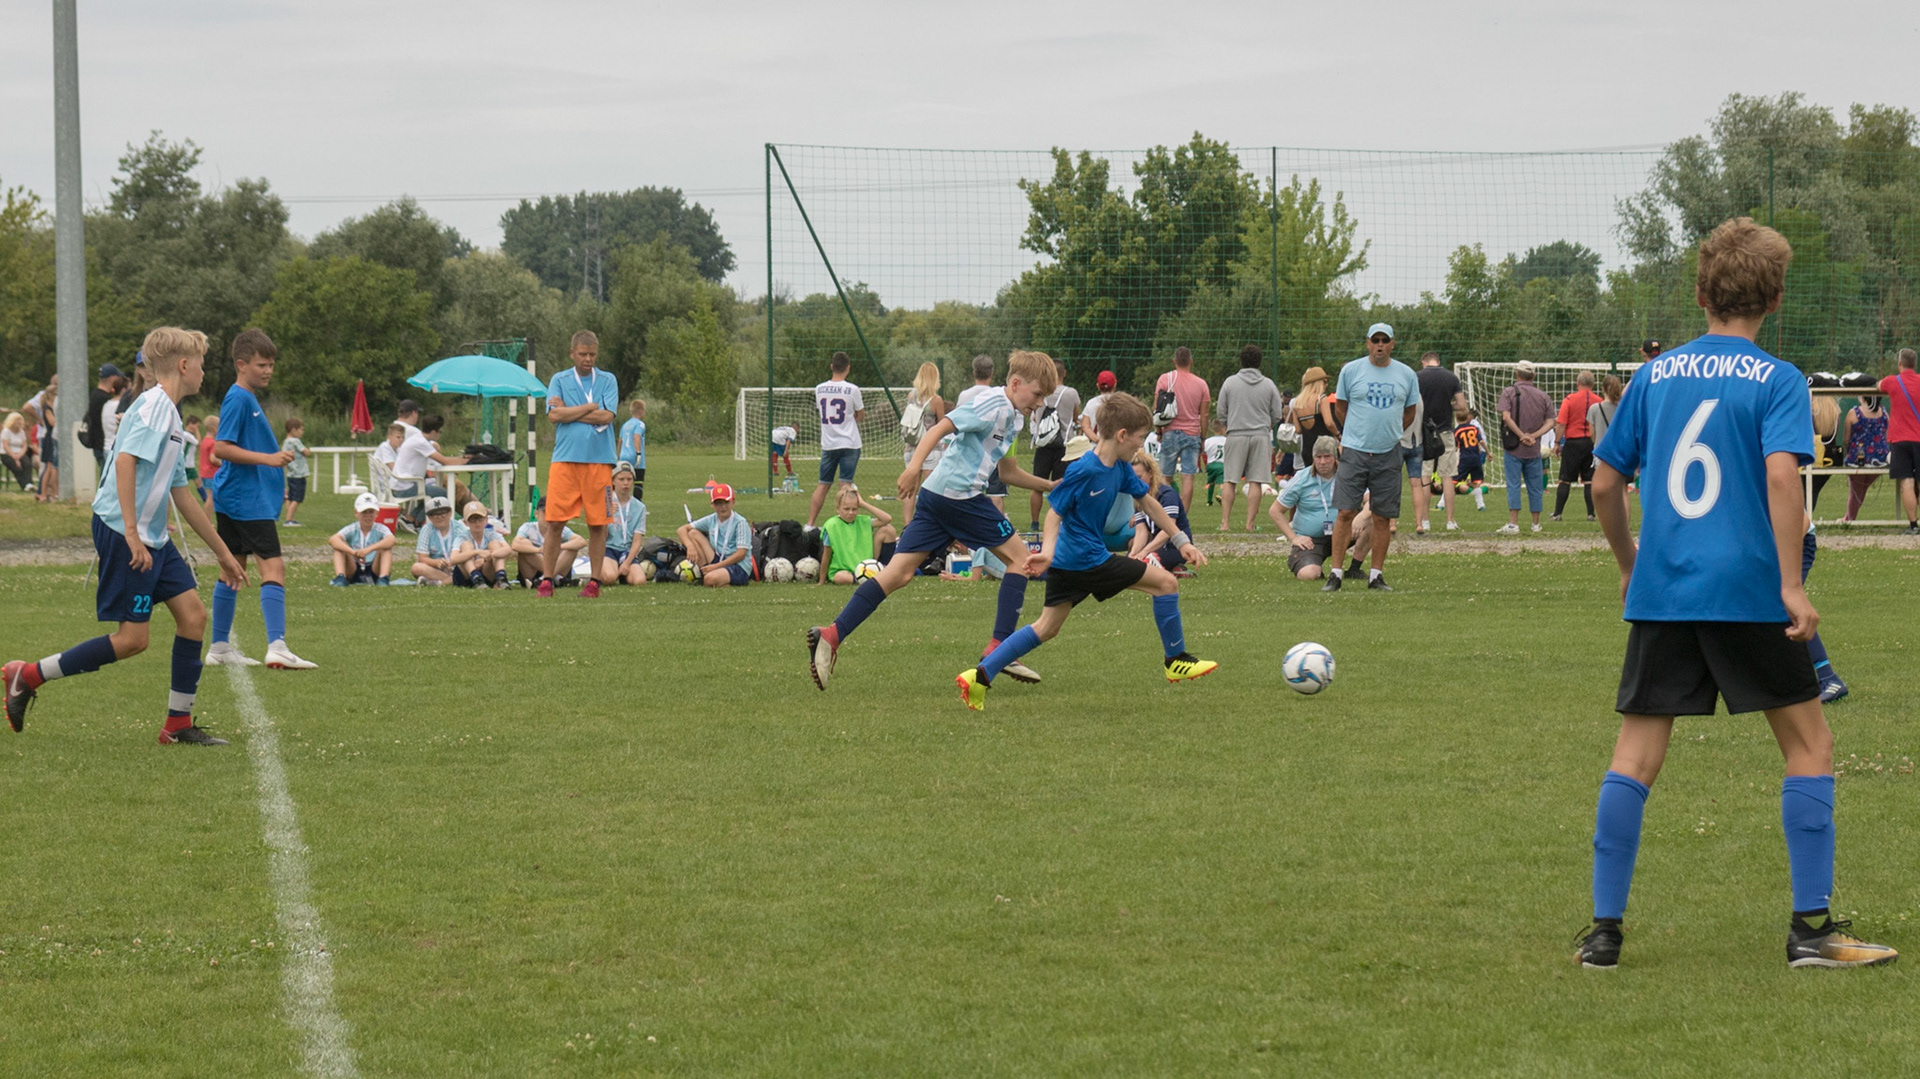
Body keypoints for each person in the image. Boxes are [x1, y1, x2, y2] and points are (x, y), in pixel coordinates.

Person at [1574, 216, 1895, 971]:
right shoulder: (1779, 378)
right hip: (1749, 590)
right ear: (1775, 297)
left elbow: (1604, 482)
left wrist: (1628, 560)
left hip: (1666, 591)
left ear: (1700, 292)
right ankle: (1811, 930)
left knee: (1637, 754)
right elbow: (1784, 475)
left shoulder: (1653, 377)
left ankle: (1603, 934)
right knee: (1810, 743)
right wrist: (1791, 582)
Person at [3, 326, 247, 746]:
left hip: (151, 535)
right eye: (202, 365)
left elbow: (181, 493)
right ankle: (26, 675)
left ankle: (177, 725)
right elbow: (126, 462)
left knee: (193, 617)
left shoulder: (168, 413)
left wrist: (224, 554)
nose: (204, 373)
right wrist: (132, 533)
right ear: (185, 365)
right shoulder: (155, 406)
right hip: (123, 530)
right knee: (133, 640)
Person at [807, 350, 1059, 692]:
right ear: (1015, 384)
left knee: (898, 573)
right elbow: (941, 427)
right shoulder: (993, 403)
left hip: (937, 496)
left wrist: (1049, 487)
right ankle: (1000, 647)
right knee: (1023, 560)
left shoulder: (1014, 418)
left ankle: (832, 634)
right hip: (961, 497)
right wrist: (913, 467)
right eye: (1038, 394)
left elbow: (1007, 471)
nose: (1040, 402)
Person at [956, 391, 1213, 710]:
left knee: (1046, 628)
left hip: (1071, 564)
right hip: (1086, 561)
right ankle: (1175, 660)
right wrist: (1047, 551)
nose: (1140, 445)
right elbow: (1053, 514)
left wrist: (1181, 540)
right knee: (1166, 584)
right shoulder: (1084, 470)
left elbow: (1148, 502)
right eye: (1139, 438)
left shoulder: (1119, 468)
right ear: (1121, 435)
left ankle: (978, 676)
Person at [208, 328, 316, 671]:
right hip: (246, 500)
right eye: (261, 364)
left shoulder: (246, 397)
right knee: (273, 567)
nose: (268, 370)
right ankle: (278, 646)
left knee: (232, 570)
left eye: (271, 364)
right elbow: (221, 448)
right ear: (241, 364)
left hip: (235, 498)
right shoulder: (239, 398)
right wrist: (269, 459)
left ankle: (220, 646)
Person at [1324, 323, 1417, 592]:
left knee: (1382, 517)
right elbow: (1341, 407)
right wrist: (1355, 432)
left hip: (1389, 452)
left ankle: (1375, 575)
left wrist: (1391, 431)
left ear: (1392, 344)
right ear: (1367, 343)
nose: (1379, 345)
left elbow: (1410, 411)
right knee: (1345, 512)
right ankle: (1336, 574)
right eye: (1375, 340)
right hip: (1354, 450)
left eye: (1384, 340)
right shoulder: (1351, 371)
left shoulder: (1406, 374)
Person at [541, 329, 619, 598]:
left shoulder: (608, 380)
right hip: (565, 460)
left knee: (598, 524)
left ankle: (594, 582)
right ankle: (547, 580)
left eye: (592, 355)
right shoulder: (559, 379)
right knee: (554, 522)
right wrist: (588, 408)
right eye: (583, 354)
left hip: (599, 462)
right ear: (572, 353)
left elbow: (607, 416)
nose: (588, 359)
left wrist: (568, 412)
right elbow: (553, 416)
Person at [1274, 436, 1375, 581]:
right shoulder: (1302, 478)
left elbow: (1372, 500)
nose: (1322, 462)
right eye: (1318, 457)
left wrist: (1362, 516)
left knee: (1373, 519)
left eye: (1327, 457)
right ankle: (1313, 567)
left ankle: (1354, 569)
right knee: (1308, 575)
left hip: (1344, 531)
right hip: (1312, 539)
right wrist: (1294, 538)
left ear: (1335, 457)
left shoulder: (1349, 475)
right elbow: (1275, 511)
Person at [1216, 345, 1286, 532]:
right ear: (1259, 362)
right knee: (1255, 481)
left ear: (1241, 360)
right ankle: (1250, 524)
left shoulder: (1230, 382)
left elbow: (1221, 411)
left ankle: (1225, 523)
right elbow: (1277, 413)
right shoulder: (1269, 384)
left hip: (1235, 433)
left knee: (1230, 479)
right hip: (1261, 435)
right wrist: (1266, 425)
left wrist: (1229, 424)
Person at [806, 350, 866, 528]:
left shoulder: (820, 389)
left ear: (832, 366)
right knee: (845, 485)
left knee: (823, 484)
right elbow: (860, 415)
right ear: (848, 368)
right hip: (849, 442)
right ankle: (844, 522)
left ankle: (809, 524)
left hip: (829, 443)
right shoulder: (852, 389)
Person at [1496, 361, 1555, 534]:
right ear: (1534, 376)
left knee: (1513, 484)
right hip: (1534, 449)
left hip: (1514, 447)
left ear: (1517, 374)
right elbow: (1551, 421)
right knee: (1536, 486)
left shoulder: (1509, 392)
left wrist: (1521, 435)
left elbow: (1506, 417)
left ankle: (1513, 523)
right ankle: (1535, 523)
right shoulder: (1543, 396)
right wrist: (1534, 436)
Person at [1152, 346, 1211, 510]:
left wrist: (1158, 431)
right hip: (1192, 434)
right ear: (1191, 362)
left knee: (1164, 477)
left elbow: (1157, 407)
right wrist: (1203, 438)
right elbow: (1204, 415)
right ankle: (1182, 514)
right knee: (1188, 477)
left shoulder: (1165, 379)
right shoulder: (1201, 384)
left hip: (1170, 432)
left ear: (1174, 361)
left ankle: (1164, 511)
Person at [1027, 357, 1080, 532]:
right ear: (1064, 373)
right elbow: (1074, 417)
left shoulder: (1041, 392)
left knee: (1037, 486)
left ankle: (1035, 523)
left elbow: (1034, 415)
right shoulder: (1071, 393)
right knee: (1062, 486)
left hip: (1043, 444)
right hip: (1064, 446)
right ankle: (1058, 523)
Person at [1415, 352, 1466, 532]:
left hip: (1424, 432)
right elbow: (1462, 406)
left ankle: (1425, 520)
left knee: (1425, 477)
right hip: (1445, 431)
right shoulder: (1451, 377)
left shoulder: (1417, 377)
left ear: (1424, 362)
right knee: (1447, 476)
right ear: (1438, 361)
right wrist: (1447, 405)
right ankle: (1450, 520)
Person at [954, 354, 1010, 513]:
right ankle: (996, 532)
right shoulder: (999, 396)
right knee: (996, 494)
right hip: (992, 451)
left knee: (967, 494)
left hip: (970, 453)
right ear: (991, 373)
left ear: (974, 372)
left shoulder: (964, 396)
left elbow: (959, 423)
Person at [1128, 451, 1193, 577]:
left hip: (1173, 546)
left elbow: (1167, 531)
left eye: (1139, 477)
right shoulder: (1138, 497)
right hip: (1156, 545)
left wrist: (1145, 551)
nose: (1136, 482)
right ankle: (1171, 569)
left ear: (1151, 474)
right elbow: (1141, 531)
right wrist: (1135, 552)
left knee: (1144, 564)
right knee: (1129, 563)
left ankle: (1171, 567)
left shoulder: (1167, 495)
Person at [1876, 349, 1920, 533]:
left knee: (1907, 483)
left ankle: (1913, 525)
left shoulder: (1893, 382)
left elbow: (1878, 386)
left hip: (1900, 438)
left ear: (1899, 364)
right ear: (1915, 364)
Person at [394, 413, 467, 523]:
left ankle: (411, 518)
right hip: (404, 487)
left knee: (434, 491)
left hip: (402, 484)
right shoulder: (421, 442)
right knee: (442, 493)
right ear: (433, 432)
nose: (440, 435)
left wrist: (463, 458)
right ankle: (416, 520)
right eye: (440, 432)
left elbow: (441, 460)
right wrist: (468, 459)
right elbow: (445, 461)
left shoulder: (418, 439)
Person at [1551, 371, 1605, 522]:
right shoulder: (1599, 400)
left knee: (1565, 479)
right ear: (1593, 384)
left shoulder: (1569, 399)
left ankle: (1558, 513)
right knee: (1589, 480)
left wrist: (1556, 443)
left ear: (1578, 383)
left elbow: (1561, 423)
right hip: (1591, 443)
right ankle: (1591, 514)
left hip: (1573, 443)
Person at [676, 483, 753, 587]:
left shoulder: (740, 523)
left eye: (726, 502)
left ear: (733, 502)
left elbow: (741, 554)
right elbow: (681, 530)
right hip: (718, 559)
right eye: (718, 503)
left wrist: (716, 566)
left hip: (738, 566)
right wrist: (690, 547)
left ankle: (715, 578)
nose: (723, 507)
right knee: (693, 533)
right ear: (712, 505)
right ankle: (705, 571)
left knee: (710, 579)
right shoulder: (712, 519)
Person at [818, 484, 898, 584]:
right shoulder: (831, 526)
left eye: (854, 509)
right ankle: (865, 578)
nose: (851, 512)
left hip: (868, 563)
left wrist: (864, 504)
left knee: (888, 529)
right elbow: (826, 555)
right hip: (846, 570)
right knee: (840, 577)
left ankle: (885, 569)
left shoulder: (863, 521)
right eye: (846, 509)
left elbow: (887, 519)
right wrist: (821, 581)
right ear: (838, 509)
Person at [901, 362, 946, 523]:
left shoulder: (911, 396)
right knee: (930, 487)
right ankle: (927, 520)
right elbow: (941, 425)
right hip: (930, 448)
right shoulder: (936, 400)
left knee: (910, 488)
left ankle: (907, 524)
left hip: (911, 447)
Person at [328, 491, 396, 586]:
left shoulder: (381, 528)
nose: (368, 516)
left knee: (385, 548)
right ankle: (340, 577)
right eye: (364, 512)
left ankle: (383, 577)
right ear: (356, 513)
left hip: (374, 568)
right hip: (353, 568)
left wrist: (368, 550)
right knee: (339, 548)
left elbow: (391, 540)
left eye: (371, 512)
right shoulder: (352, 528)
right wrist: (353, 553)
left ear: (377, 513)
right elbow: (333, 539)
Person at [512, 499, 584, 586]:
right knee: (524, 544)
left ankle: (544, 579)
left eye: (552, 513)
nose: (548, 517)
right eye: (545, 512)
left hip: (555, 568)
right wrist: (539, 550)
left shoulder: (561, 529)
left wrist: (557, 546)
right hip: (533, 571)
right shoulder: (528, 527)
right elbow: (515, 544)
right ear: (536, 514)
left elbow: (581, 541)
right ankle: (556, 578)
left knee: (572, 548)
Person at [1841, 395, 1887, 522]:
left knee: (1855, 492)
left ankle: (1850, 520)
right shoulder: (1883, 412)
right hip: (1880, 459)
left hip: (1858, 459)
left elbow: (1846, 439)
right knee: (1861, 491)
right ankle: (1848, 517)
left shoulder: (1854, 413)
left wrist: (1849, 452)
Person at [601, 463, 649, 585]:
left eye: (629, 479)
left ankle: (623, 572)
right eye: (621, 479)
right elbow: (601, 536)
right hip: (608, 548)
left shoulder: (639, 507)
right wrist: (607, 516)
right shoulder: (605, 502)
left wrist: (627, 562)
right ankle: (605, 569)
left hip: (627, 551)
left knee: (640, 581)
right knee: (609, 578)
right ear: (613, 481)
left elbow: (637, 541)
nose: (626, 483)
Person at [410, 496, 468, 585]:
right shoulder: (426, 529)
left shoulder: (460, 529)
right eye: (435, 514)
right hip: (436, 569)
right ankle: (451, 580)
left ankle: (439, 583)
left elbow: (466, 553)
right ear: (429, 517)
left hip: (457, 566)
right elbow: (422, 558)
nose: (439, 517)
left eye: (443, 513)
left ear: (450, 513)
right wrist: (436, 563)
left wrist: (453, 562)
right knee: (416, 568)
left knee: (467, 566)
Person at [82, 361, 127, 469]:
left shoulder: (95, 394)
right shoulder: (105, 399)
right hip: (102, 445)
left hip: (98, 445)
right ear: (112, 378)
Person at [1807, 392, 1846, 512]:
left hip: (1813, 455)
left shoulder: (1810, 409)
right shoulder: (1835, 410)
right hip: (1830, 457)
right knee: (1813, 491)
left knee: (1806, 492)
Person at [1452, 407, 1489, 510]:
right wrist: (1488, 453)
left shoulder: (1456, 431)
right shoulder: (1474, 428)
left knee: (1452, 482)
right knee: (1476, 482)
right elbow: (1481, 442)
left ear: (1456, 418)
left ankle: (1441, 504)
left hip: (1465, 458)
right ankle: (1481, 504)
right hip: (1476, 458)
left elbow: (1455, 447)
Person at [280, 417, 312, 526]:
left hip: (291, 473)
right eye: (301, 429)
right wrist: (309, 451)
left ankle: (289, 517)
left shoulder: (285, 442)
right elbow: (305, 452)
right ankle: (289, 520)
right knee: (297, 498)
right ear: (294, 430)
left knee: (291, 496)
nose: (302, 432)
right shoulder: (295, 441)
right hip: (299, 474)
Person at [618, 398, 648, 499]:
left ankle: (621, 503)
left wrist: (618, 455)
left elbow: (620, 441)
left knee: (623, 481)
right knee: (638, 482)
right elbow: (636, 436)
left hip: (623, 456)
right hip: (634, 456)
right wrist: (638, 453)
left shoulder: (625, 425)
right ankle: (637, 506)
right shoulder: (640, 424)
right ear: (641, 411)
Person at [1078, 370, 1118, 440]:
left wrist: (1097, 440)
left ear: (1098, 386)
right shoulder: (1121, 402)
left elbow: (1085, 426)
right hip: (1116, 444)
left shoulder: (1091, 403)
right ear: (1115, 384)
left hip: (1096, 445)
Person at [1587, 375, 1623, 448]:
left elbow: (1592, 433)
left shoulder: (1594, 408)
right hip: (1618, 450)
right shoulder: (1623, 409)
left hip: (1600, 450)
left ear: (1603, 389)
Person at [2, 412, 34, 491]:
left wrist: (20, 455)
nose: (19, 422)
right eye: (17, 420)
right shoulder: (6, 431)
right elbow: (6, 446)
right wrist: (15, 458)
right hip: (7, 453)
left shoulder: (21, 432)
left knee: (27, 464)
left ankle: (29, 484)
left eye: (20, 420)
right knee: (16, 468)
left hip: (19, 453)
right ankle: (25, 485)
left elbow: (24, 445)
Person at [196, 412, 219, 506]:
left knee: (209, 496)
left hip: (204, 473)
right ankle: (208, 520)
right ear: (214, 429)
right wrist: (222, 464)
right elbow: (212, 459)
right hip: (211, 474)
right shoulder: (213, 443)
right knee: (211, 498)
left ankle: (207, 519)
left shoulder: (204, 441)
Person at [1202, 421, 1226, 507]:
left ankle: (1209, 501)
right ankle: (1220, 494)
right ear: (1223, 430)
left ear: (1213, 429)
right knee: (1223, 482)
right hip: (1222, 465)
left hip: (1211, 464)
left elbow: (1204, 451)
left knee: (1211, 482)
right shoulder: (1226, 440)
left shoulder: (1208, 441)